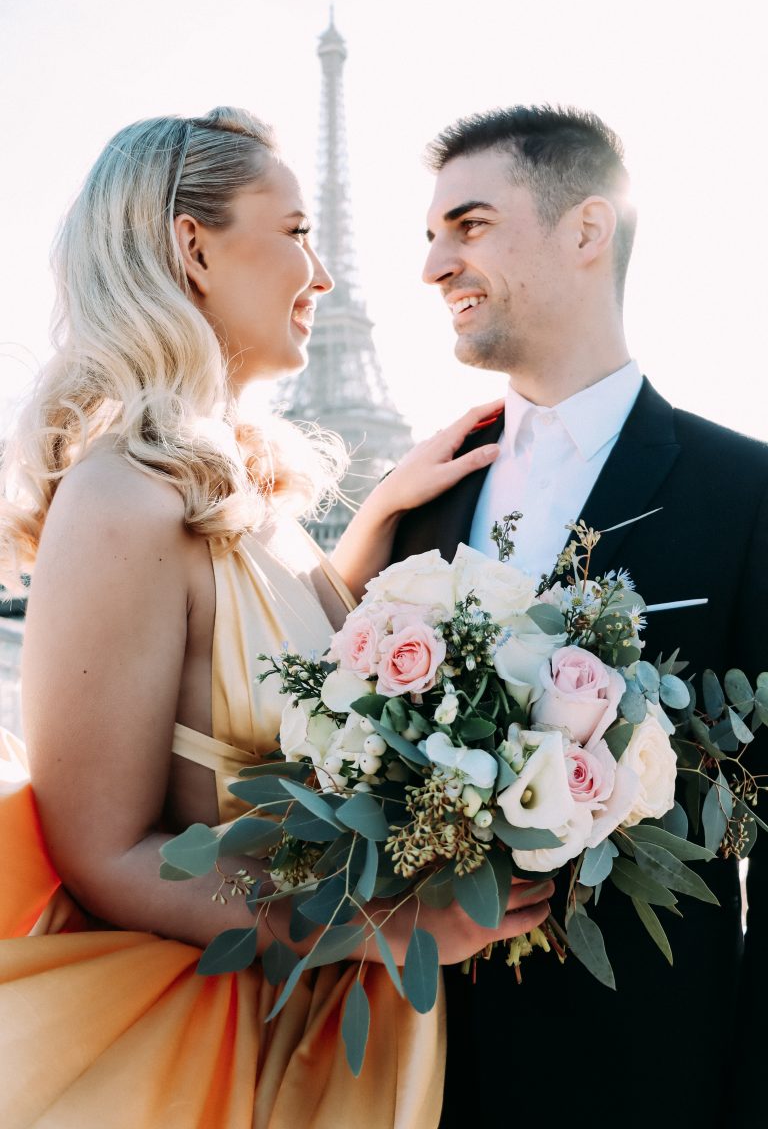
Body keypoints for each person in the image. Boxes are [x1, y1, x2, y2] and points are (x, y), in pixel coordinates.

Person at [0, 107, 554, 1129]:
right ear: (192, 245)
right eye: (295, 232)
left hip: (329, 1037)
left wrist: (381, 512)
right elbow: (102, 852)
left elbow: (264, 671)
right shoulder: (119, 499)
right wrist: (387, 921)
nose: (325, 273)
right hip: (223, 1057)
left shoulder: (247, 506)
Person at [392, 105, 768, 1128]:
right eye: (429, 235)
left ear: (587, 230)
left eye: (467, 226)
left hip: (650, 1080)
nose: (434, 264)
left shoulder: (746, 493)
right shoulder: (414, 505)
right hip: (411, 1079)